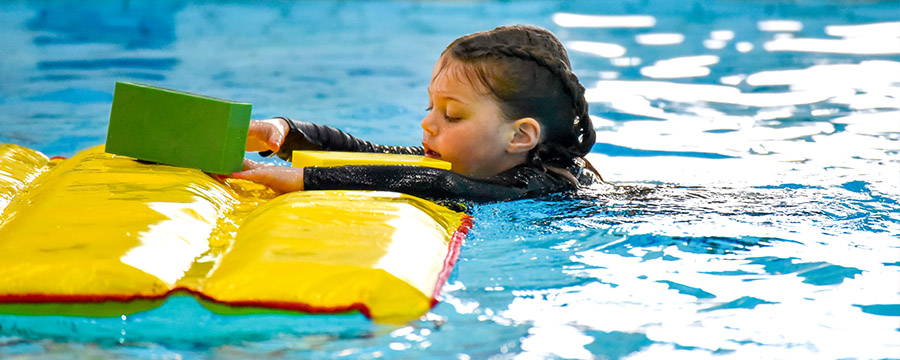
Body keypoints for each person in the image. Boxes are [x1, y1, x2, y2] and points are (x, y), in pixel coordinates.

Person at [233, 24, 603, 203]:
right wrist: (283, 132)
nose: (427, 123)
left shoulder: (552, 183)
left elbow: (438, 185)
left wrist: (304, 179)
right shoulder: (471, 161)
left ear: (520, 136)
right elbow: (370, 155)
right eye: (431, 107)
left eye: (453, 115)